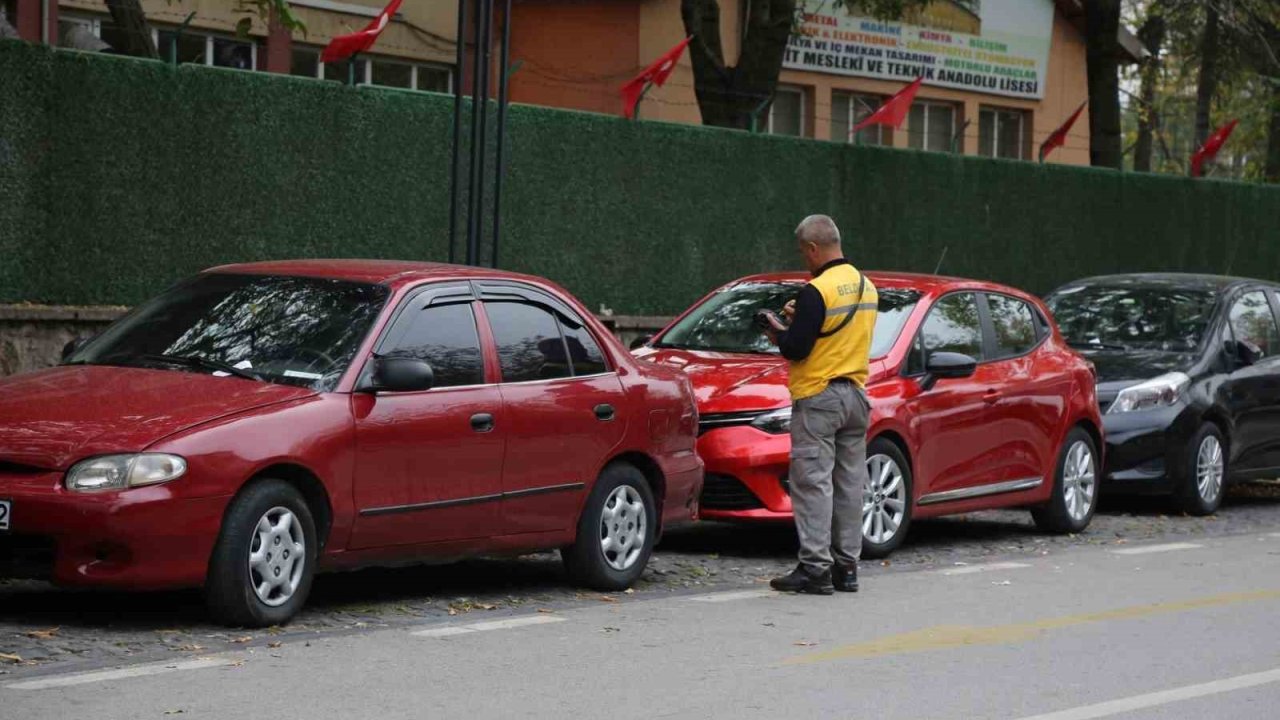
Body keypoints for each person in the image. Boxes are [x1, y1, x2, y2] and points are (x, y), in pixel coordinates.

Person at [760, 214, 878, 595]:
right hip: (856, 396)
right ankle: (848, 568)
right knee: (849, 483)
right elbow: (835, 333)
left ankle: (815, 569)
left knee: (812, 483)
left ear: (813, 248)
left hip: (819, 396)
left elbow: (798, 347)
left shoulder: (817, 290)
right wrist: (803, 322)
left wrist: (778, 331)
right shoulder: (867, 287)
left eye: (803, 252)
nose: (804, 260)